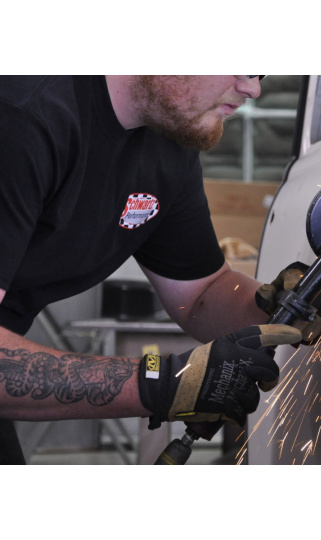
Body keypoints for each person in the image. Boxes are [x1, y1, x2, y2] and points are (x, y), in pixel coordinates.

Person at [0, 75, 303, 464]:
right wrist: (160, 383)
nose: (253, 89)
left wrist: (276, 307)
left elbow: (201, 294)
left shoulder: (168, 143)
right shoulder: (21, 115)